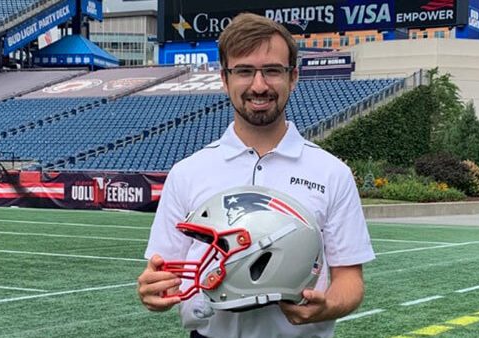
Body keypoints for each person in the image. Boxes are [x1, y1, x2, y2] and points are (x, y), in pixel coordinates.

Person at [137, 12, 375, 338]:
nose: (259, 85)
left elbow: (350, 280)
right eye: (245, 71)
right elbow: (160, 268)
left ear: (293, 77)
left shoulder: (332, 173)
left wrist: (328, 305)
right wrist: (152, 289)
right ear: (225, 78)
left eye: (272, 71)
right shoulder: (187, 172)